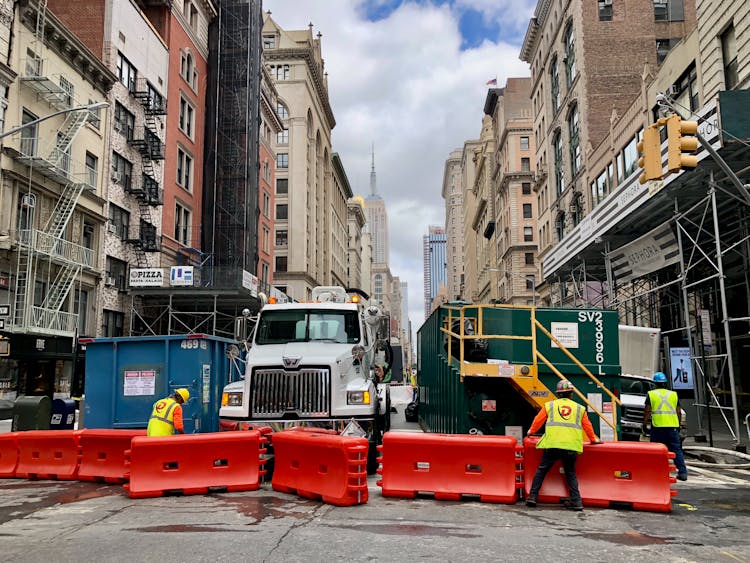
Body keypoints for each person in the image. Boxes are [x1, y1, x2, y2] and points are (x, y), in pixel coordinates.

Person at [525, 380, 602, 511]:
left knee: (542, 470)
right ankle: (577, 502)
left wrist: (531, 432)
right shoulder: (579, 408)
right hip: (571, 447)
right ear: (571, 394)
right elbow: (588, 426)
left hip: (553, 445)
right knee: (570, 473)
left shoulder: (550, 405)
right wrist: (593, 439)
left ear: (559, 394)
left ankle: (532, 497)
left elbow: (538, 420)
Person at [643, 372, 688, 481]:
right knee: (676, 449)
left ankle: (657, 472)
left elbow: (647, 410)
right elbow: (678, 411)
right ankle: (682, 473)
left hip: (658, 426)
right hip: (672, 426)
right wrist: (678, 425)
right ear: (665, 383)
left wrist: (644, 423)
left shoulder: (651, 394)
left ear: (655, 383)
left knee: (656, 451)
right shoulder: (673, 394)